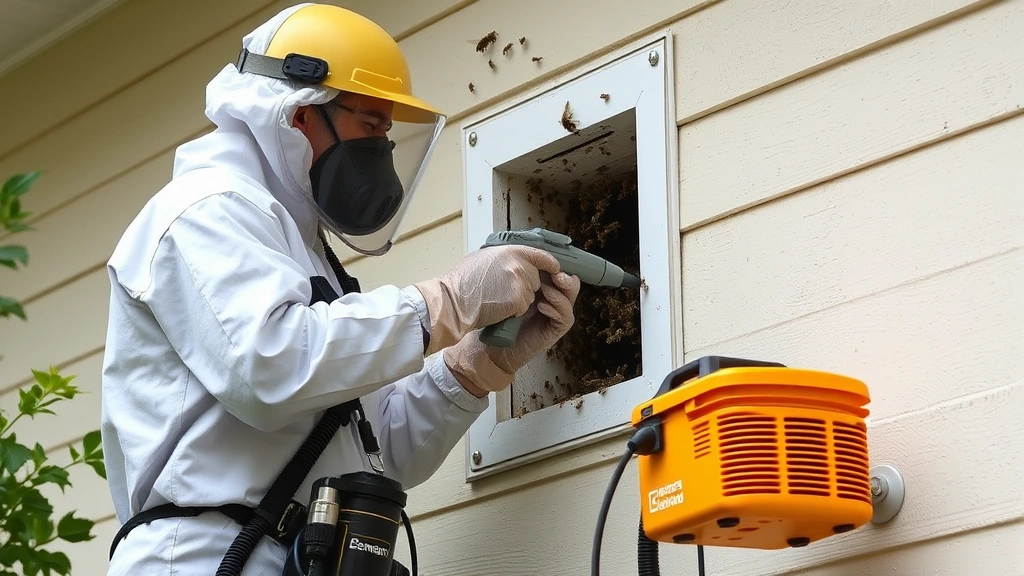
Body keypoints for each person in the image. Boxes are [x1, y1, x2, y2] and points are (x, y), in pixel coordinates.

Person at [99, 3, 581, 574]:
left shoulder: (302, 254)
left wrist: (474, 368)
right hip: (203, 557)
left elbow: (385, 451)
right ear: (299, 114)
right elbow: (270, 364)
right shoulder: (205, 210)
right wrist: (443, 302)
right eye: (371, 125)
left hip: (293, 553)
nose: (381, 148)